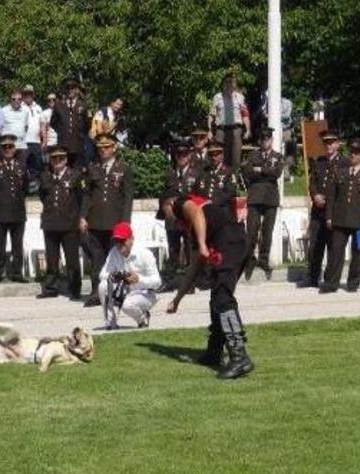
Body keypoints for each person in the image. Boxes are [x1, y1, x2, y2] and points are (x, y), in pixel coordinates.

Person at [161, 193, 254, 379]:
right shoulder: (195, 228)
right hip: (237, 242)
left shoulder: (180, 203)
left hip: (230, 242)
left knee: (222, 298)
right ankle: (214, 351)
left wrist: (203, 244)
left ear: (169, 205)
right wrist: (177, 299)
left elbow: (195, 212)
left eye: (165, 214)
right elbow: (194, 267)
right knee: (217, 299)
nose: (168, 220)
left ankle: (239, 356)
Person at [79, 133, 134, 307]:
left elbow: (127, 197)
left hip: (115, 222)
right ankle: (97, 292)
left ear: (114, 147)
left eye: (107, 147)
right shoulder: (92, 168)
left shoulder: (124, 168)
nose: (103, 150)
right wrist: (82, 216)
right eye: (100, 148)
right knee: (97, 259)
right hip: (95, 221)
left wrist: (125, 222)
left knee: (116, 259)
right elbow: (87, 195)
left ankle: (117, 291)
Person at [320, 138, 360, 294]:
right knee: (335, 252)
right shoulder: (340, 171)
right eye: (351, 151)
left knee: (358, 254)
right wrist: (329, 217)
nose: (353, 154)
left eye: (356, 152)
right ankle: (331, 283)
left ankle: (353, 283)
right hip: (340, 218)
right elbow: (332, 196)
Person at [37, 146, 83, 300]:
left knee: (72, 260)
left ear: (66, 159)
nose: (57, 161)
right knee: (51, 259)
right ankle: (50, 288)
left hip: (69, 224)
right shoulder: (45, 176)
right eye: (54, 158)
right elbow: (43, 196)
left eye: (60, 158)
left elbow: (80, 198)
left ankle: (74, 289)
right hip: (50, 223)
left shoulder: (75, 176)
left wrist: (78, 218)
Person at [302, 130, 345, 288]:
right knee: (315, 246)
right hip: (318, 211)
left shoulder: (344, 163)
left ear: (337, 144)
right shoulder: (319, 161)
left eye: (331, 142)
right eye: (326, 143)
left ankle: (329, 279)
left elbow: (344, 188)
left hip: (334, 212)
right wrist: (315, 195)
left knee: (333, 247)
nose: (328, 146)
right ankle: (313, 277)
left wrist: (328, 199)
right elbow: (312, 182)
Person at [98, 221, 161, 330]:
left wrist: (139, 279)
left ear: (132, 239)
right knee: (103, 286)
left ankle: (143, 318)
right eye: (116, 241)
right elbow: (102, 274)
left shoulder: (145, 253)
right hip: (125, 291)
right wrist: (115, 276)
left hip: (146, 293)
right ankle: (110, 323)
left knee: (127, 304)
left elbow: (158, 282)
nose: (119, 244)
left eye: (123, 240)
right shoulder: (114, 252)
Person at [0, 134, 29, 284]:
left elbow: (26, 188)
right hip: (0, 212)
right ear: (0, 149)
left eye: (10, 147)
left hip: (17, 211)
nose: (8, 150)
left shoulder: (21, 166)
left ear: (15, 148)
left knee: (17, 246)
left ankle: (16, 273)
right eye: (4, 147)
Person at [242, 127, 284, 281]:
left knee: (267, 231)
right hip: (255, 197)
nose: (265, 141)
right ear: (260, 140)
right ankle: (249, 260)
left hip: (271, 198)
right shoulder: (253, 154)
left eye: (268, 139)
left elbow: (277, 173)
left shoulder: (278, 156)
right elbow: (247, 171)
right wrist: (265, 171)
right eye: (263, 139)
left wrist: (259, 169)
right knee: (251, 231)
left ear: (271, 140)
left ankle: (263, 260)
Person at [158, 140, 200, 293]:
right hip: (173, 219)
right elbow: (163, 194)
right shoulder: (170, 172)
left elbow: (199, 196)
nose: (181, 157)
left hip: (189, 218)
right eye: (178, 154)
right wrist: (165, 207)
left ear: (190, 154)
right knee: (173, 250)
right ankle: (168, 281)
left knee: (190, 250)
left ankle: (189, 283)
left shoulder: (197, 173)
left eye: (184, 154)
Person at [208, 73, 251, 167]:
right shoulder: (217, 97)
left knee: (235, 157)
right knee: (220, 156)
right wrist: (210, 131)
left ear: (235, 84)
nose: (229, 84)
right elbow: (211, 115)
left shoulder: (240, 97)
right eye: (227, 82)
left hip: (236, 130)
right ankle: (220, 179)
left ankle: (234, 179)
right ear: (224, 83)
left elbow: (245, 114)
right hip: (221, 130)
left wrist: (248, 130)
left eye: (232, 82)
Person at [51, 78, 89, 168]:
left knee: (77, 171)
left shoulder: (83, 105)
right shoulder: (59, 105)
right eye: (67, 88)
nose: (70, 90)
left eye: (72, 88)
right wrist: (62, 131)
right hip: (63, 144)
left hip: (78, 144)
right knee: (63, 169)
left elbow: (87, 124)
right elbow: (53, 122)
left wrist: (80, 134)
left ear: (77, 90)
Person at [195, 140, 237, 211]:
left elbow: (230, 192)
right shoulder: (204, 171)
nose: (213, 158)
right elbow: (198, 189)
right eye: (211, 155)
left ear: (222, 155)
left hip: (222, 209)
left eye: (216, 155)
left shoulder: (229, 171)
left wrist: (213, 201)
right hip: (204, 208)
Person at [21, 85, 44, 187]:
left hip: (36, 141)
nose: (28, 95)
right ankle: (23, 188)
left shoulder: (38, 107)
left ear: (33, 94)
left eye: (30, 93)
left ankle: (35, 188)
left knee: (37, 165)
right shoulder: (20, 106)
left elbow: (42, 124)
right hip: (23, 141)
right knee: (23, 165)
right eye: (26, 93)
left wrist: (44, 140)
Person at [1, 90, 29, 159]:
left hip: (21, 145)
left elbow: (26, 126)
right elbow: (0, 127)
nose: (16, 101)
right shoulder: (3, 111)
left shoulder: (26, 111)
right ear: (10, 100)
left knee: (22, 168)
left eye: (19, 99)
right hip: (8, 145)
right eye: (14, 99)